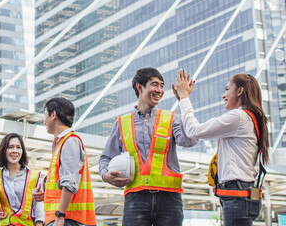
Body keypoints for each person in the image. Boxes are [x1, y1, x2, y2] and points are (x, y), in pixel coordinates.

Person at [99, 67, 198, 226]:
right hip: (136, 198)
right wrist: (105, 175)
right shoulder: (122, 123)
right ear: (140, 87)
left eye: (162, 86)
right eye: (155, 85)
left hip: (169, 199)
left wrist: (183, 100)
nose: (159, 90)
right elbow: (106, 157)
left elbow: (190, 141)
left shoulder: (172, 118)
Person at [173, 70, 269, 226]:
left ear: (239, 91)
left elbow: (193, 131)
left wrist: (184, 99)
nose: (223, 95)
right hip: (242, 194)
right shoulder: (251, 118)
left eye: (226, 89)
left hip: (236, 196)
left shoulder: (238, 117)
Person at [33, 97, 96, 226]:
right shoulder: (62, 143)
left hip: (67, 219)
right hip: (63, 218)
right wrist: (44, 191)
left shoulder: (70, 141)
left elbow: (69, 182)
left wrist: (60, 215)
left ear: (53, 115)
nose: (44, 121)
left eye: (45, 115)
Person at [0, 133, 44, 226]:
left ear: (22, 151)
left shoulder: (35, 176)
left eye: (18, 147)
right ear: (4, 150)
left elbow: (39, 209)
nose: (15, 151)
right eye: (10, 147)